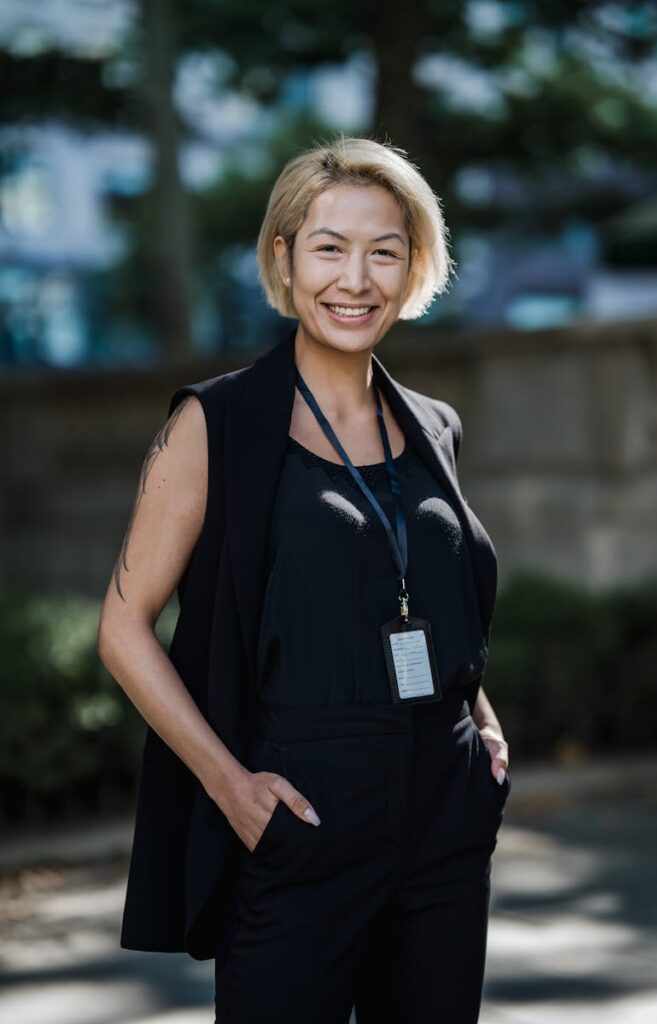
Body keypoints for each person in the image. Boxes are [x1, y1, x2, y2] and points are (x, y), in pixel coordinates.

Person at [97, 134, 511, 1024]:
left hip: (444, 818)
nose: (354, 280)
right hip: (301, 812)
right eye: (329, 248)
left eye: (383, 252)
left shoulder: (433, 425)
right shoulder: (216, 424)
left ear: (413, 267)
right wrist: (231, 787)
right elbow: (122, 629)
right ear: (283, 259)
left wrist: (481, 724)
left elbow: (433, 597)